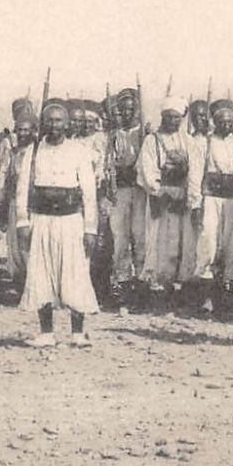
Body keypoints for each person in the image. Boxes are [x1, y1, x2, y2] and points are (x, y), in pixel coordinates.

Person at [13, 101, 99, 347]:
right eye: (50, 120)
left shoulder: (79, 151)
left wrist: (90, 228)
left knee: (75, 273)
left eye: (59, 120)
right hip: (41, 220)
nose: (54, 125)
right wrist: (22, 222)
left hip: (71, 221)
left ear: (67, 124)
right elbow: (22, 190)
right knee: (41, 274)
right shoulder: (34, 152)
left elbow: (89, 192)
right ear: (43, 123)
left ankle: (78, 333)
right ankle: (46, 333)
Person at [189, 98, 233, 312]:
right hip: (211, 198)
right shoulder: (204, 142)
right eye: (221, 121)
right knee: (208, 243)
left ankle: (232, 295)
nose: (225, 125)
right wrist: (196, 204)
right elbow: (195, 174)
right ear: (214, 121)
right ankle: (207, 296)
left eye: (229, 121)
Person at [138, 93, 197, 305]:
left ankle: (178, 287)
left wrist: (188, 194)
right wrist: (159, 190)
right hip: (160, 197)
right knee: (157, 241)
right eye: (169, 116)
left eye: (177, 118)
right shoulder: (151, 141)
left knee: (181, 241)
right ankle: (157, 288)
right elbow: (147, 170)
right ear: (163, 116)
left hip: (182, 197)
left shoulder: (188, 141)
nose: (173, 121)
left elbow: (195, 170)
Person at [101, 88, 148, 310]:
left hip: (139, 190)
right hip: (119, 190)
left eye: (131, 109)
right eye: (124, 109)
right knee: (120, 238)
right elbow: (108, 163)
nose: (128, 113)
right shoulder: (113, 135)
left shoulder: (143, 133)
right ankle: (121, 281)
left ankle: (141, 280)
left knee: (140, 236)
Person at [0, 112, 37, 285]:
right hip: (14, 203)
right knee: (15, 246)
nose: (23, 134)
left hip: (34, 206)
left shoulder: (38, 153)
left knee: (31, 246)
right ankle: (20, 284)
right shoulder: (12, 153)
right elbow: (3, 178)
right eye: (20, 130)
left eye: (27, 130)